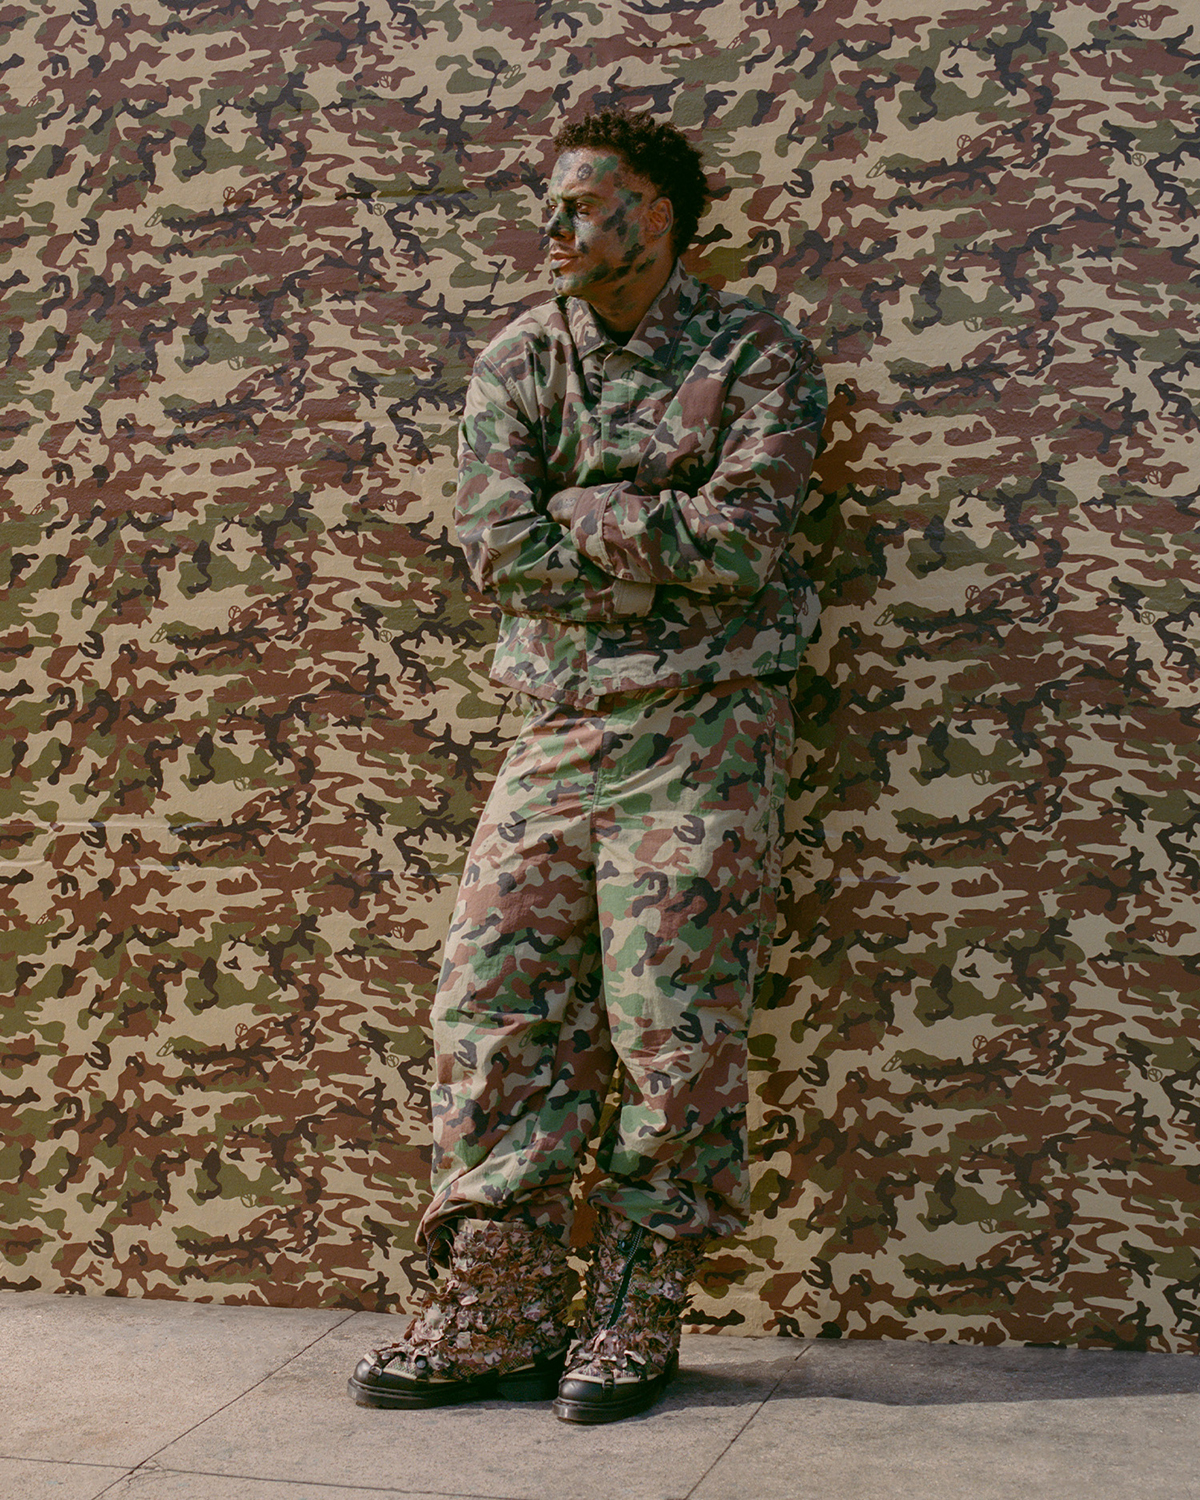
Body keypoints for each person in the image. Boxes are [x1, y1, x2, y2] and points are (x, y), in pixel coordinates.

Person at [348, 108, 826, 1424]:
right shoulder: (520, 358)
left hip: (706, 724)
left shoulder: (755, 354)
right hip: (557, 725)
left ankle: (634, 1296)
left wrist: (584, 507)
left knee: (674, 1018)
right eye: (548, 205)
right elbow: (499, 550)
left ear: (654, 215)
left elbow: (746, 543)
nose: (551, 228)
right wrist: (652, 539)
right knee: (491, 997)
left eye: (579, 205)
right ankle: (498, 1297)